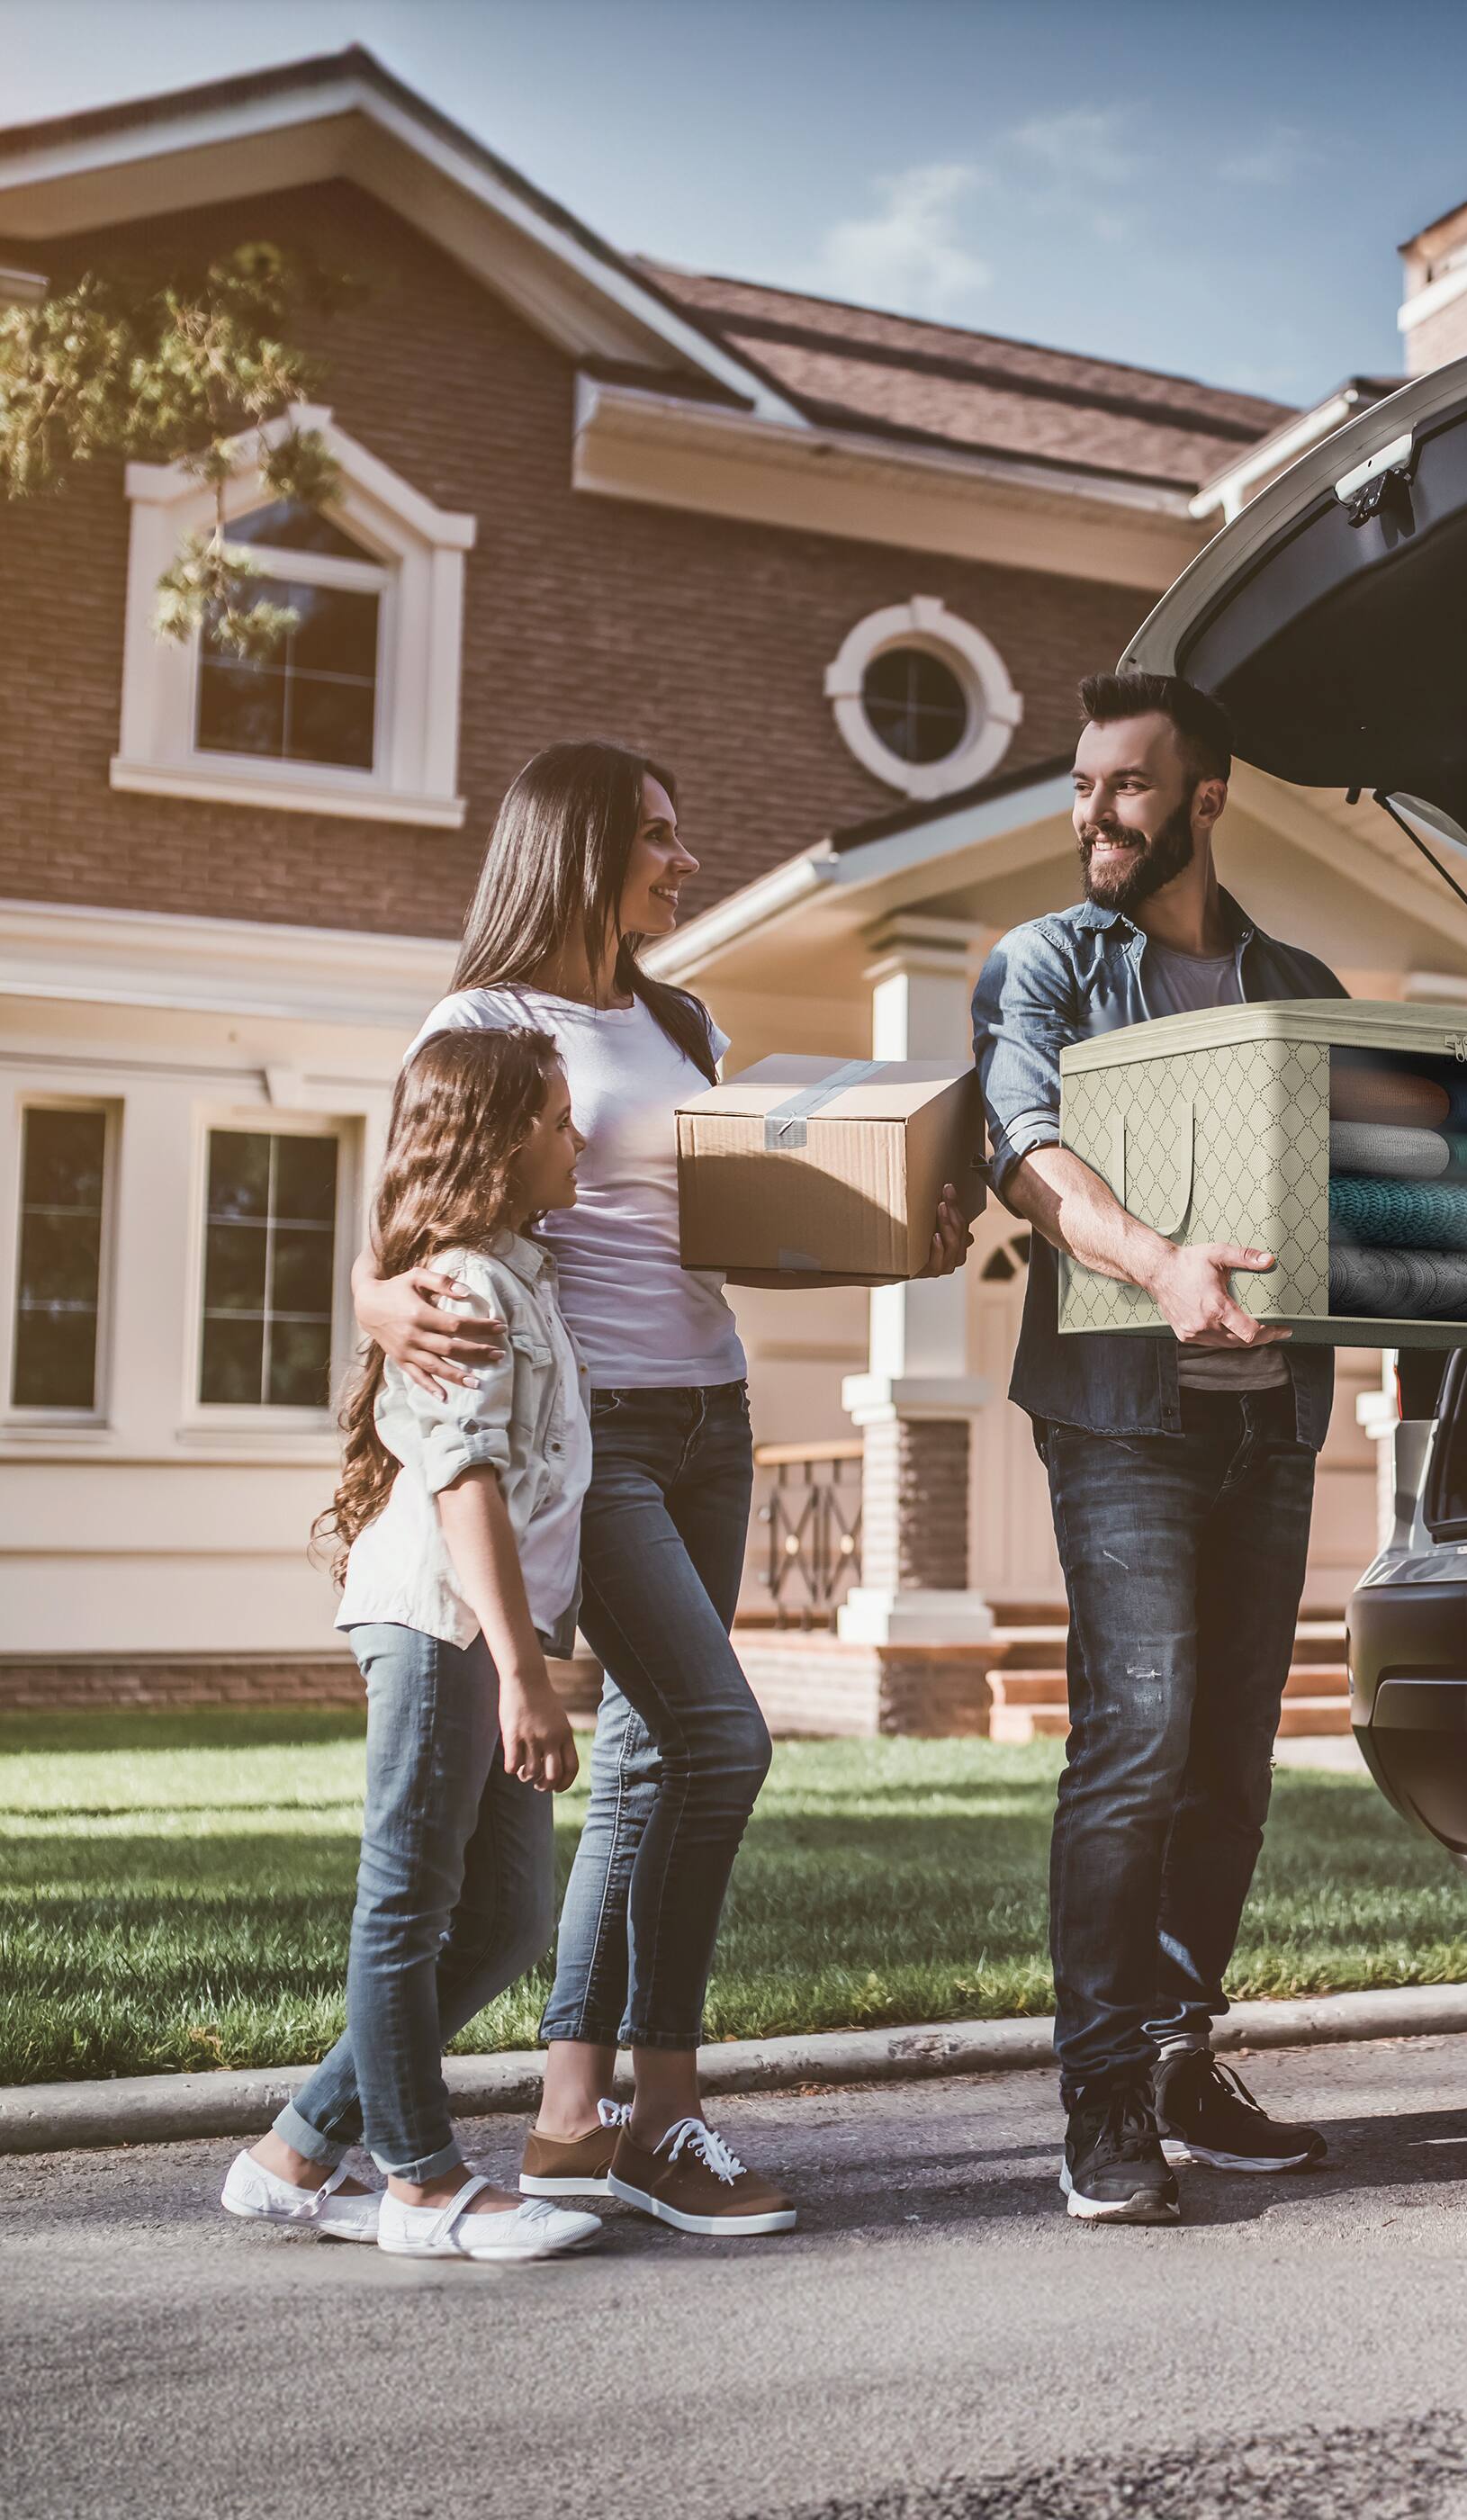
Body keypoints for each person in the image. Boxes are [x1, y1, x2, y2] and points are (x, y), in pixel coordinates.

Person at [356, 741, 973, 2239]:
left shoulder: (679, 1017)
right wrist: (377, 1308)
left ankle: (577, 2118)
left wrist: (898, 1238)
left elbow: (714, 1231)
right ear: (577, 847)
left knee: (647, 1766)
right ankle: (665, 2111)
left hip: (713, 1414)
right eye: (656, 836)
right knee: (721, 1742)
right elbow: (413, 1215)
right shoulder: (485, 1019)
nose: (682, 862)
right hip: (599, 1433)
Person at [972, 670, 1346, 2224]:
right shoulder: (1045, 964)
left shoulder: (1299, 988)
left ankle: (1184, 2052)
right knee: (1137, 1744)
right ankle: (1103, 2091)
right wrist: (1159, 1261)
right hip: (1125, 1425)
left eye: (1127, 786)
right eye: (1081, 785)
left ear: (1205, 800)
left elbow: (1372, 1199)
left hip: (1272, 1431)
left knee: (1232, 1764)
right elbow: (1025, 1150)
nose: (1092, 815)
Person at [222, 1028, 604, 2262]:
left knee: (502, 1920)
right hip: (442, 1621)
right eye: (557, 1118)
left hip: (484, 1629)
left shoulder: (521, 1271)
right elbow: (463, 1488)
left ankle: (293, 2154)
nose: (578, 1137)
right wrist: (522, 1670)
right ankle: (422, 2183)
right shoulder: (463, 1290)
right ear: (500, 1142)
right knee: (410, 1904)